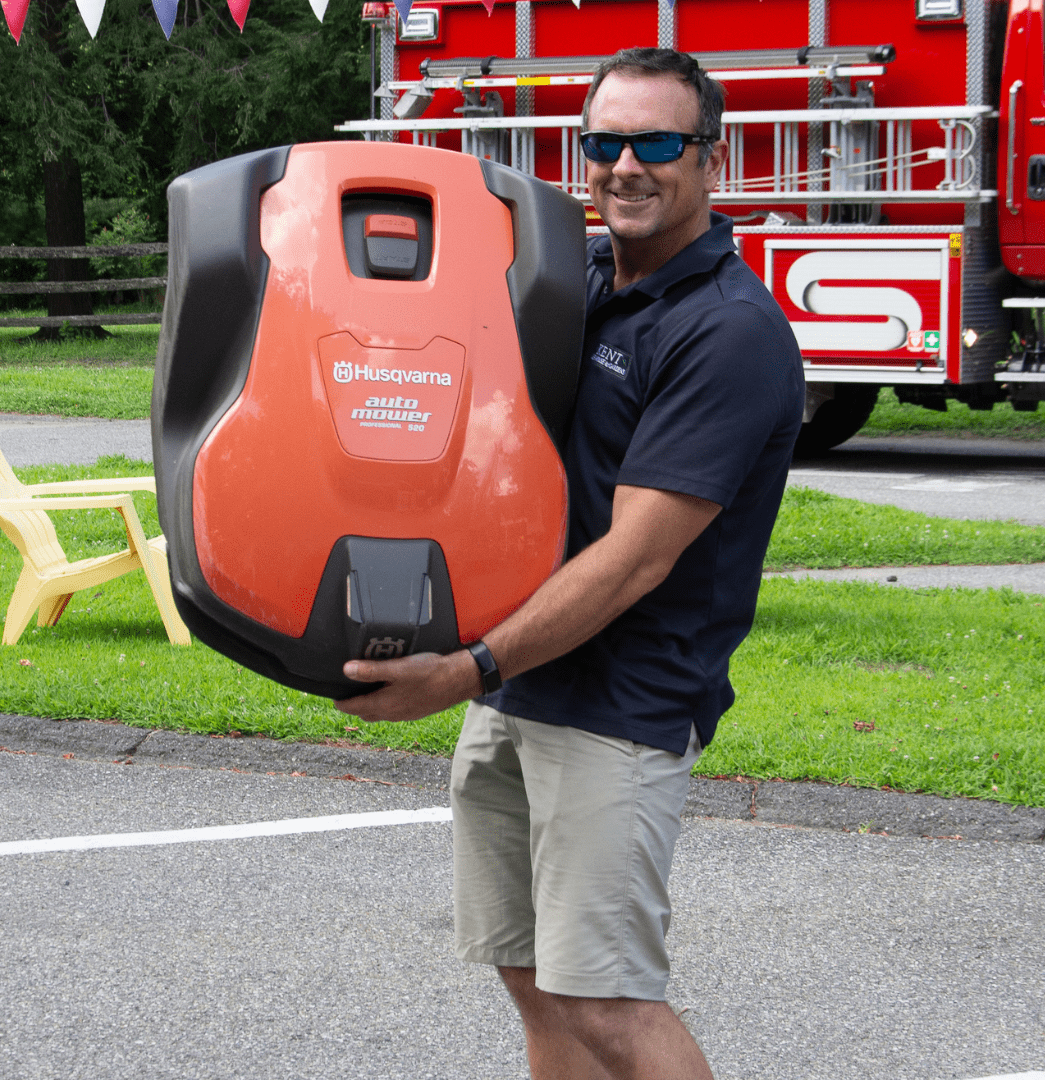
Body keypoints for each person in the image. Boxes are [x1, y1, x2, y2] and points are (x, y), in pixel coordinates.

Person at [338, 47, 805, 1080]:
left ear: (710, 161)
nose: (626, 165)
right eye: (604, 143)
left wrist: (466, 671)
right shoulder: (576, 280)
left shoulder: (726, 332)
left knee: (609, 1002)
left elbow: (636, 559)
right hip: (521, 679)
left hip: (623, 703)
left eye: (657, 143)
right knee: (530, 974)